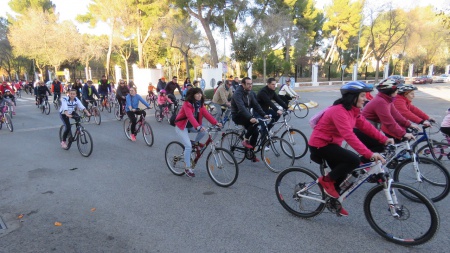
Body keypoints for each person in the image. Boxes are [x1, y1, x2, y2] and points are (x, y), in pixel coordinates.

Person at [309, 82, 393, 217]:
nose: (366, 98)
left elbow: (366, 126)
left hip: (331, 144)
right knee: (353, 160)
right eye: (362, 95)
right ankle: (325, 181)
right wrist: (369, 154)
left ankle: (332, 201)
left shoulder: (353, 111)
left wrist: (383, 139)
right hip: (320, 145)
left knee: (343, 175)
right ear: (352, 97)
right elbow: (349, 135)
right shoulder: (338, 111)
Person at [174, 87, 222, 177]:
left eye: (200, 93)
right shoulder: (187, 104)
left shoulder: (200, 104)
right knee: (188, 146)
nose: (199, 95)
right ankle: (187, 168)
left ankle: (195, 143)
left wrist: (216, 123)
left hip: (191, 126)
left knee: (203, 131)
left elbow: (207, 114)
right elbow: (190, 116)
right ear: (192, 95)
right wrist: (198, 127)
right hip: (181, 126)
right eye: (197, 93)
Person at [358, 79, 417, 152]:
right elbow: (389, 122)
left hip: (372, 127)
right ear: (390, 91)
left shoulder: (387, 100)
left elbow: (396, 115)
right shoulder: (380, 102)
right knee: (381, 148)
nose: (397, 92)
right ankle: (361, 163)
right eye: (396, 90)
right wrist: (403, 134)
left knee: (385, 148)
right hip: (363, 129)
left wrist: (409, 124)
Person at [231, 77, 269, 162]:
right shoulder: (238, 93)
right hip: (237, 115)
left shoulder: (250, 93)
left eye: (251, 84)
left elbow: (256, 105)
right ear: (243, 84)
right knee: (254, 123)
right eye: (248, 84)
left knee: (255, 132)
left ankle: (250, 154)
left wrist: (264, 114)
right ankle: (245, 140)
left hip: (245, 114)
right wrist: (250, 117)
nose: (250, 85)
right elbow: (241, 108)